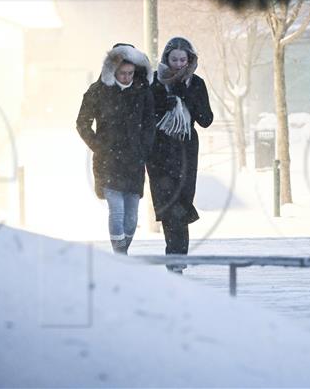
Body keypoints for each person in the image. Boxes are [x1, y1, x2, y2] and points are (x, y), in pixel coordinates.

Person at [76, 43, 155, 255]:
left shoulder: (143, 92)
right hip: (107, 161)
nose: (126, 77)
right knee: (117, 212)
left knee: (132, 217)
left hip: (134, 161)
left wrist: (143, 148)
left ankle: (123, 251)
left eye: (130, 73)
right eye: (122, 73)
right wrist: (98, 146)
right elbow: (82, 122)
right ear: (112, 70)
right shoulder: (98, 91)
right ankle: (120, 255)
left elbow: (150, 124)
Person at [146, 37, 213, 272]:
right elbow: (148, 113)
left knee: (182, 204)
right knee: (167, 205)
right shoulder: (155, 81)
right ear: (166, 59)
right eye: (173, 59)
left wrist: (186, 96)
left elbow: (206, 120)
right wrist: (165, 102)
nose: (178, 64)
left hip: (185, 149)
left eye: (182, 59)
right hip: (160, 150)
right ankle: (174, 259)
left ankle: (177, 258)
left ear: (190, 60)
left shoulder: (196, 83)